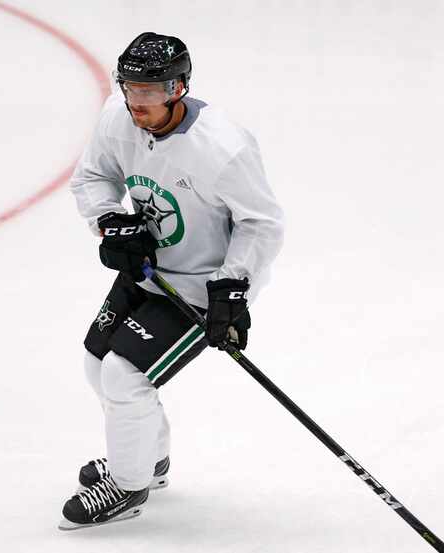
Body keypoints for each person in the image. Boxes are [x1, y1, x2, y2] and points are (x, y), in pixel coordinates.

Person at [59, 32, 285, 530]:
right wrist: (109, 220)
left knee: (125, 376)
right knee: (98, 364)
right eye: (130, 88)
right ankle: (146, 460)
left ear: (179, 87)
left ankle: (128, 483)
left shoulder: (223, 147)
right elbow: (92, 177)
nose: (138, 102)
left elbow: (262, 223)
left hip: (203, 282)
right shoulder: (118, 118)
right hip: (148, 269)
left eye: (151, 91)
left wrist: (232, 286)